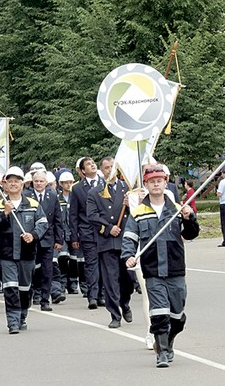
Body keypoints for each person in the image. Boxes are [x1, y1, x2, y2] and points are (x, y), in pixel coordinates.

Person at [122, 165, 199, 368]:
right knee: (159, 312)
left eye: (159, 180)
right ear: (146, 185)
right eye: (151, 181)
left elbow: (191, 234)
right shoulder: (138, 212)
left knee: (177, 315)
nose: (156, 184)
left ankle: (169, 339)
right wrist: (129, 256)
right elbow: (130, 236)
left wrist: (189, 218)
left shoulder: (177, 208)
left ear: (166, 182)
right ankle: (162, 352)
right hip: (153, 268)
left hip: (175, 267)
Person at [0, 166, 48, 334]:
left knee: (24, 288)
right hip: (7, 254)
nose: (13, 184)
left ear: (23, 184)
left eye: (17, 181)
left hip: (27, 253)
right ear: (5, 185)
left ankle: (22, 315)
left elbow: (43, 223)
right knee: (10, 287)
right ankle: (12, 321)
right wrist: (4, 215)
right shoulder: (0, 205)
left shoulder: (33, 204)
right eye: (10, 181)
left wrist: (33, 235)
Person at [87, 157, 133, 329]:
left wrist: (130, 205)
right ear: (102, 170)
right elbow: (92, 216)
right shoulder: (95, 192)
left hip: (125, 240)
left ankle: (125, 302)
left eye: (112, 167)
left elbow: (138, 211)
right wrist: (107, 228)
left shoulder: (127, 189)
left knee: (128, 279)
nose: (110, 170)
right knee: (110, 281)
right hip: (107, 241)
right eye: (106, 168)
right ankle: (115, 314)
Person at [24, 169, 64, 310]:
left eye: (41, 181)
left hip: (48, 238)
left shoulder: (52, 196)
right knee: (31, 269)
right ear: (32, 182)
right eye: (36, 181)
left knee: (47, 270)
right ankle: (32, 293)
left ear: (46, 183)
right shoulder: (26, 196)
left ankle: (45, 300)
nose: (39, 184)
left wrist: (59, 239)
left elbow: (58, 219)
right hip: (31, 238)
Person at [70, 157, 105, 309]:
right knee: (91, 264)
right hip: (87, 231)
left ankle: (103, 295)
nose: (92, 165)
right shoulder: (77, 188)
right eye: (88, 164)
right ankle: (93, 295)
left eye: (93, 163)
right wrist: (74, 236)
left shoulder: (106, 183)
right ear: (83, 171)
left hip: (105, 231)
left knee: (104, 264)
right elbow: (73, 214)